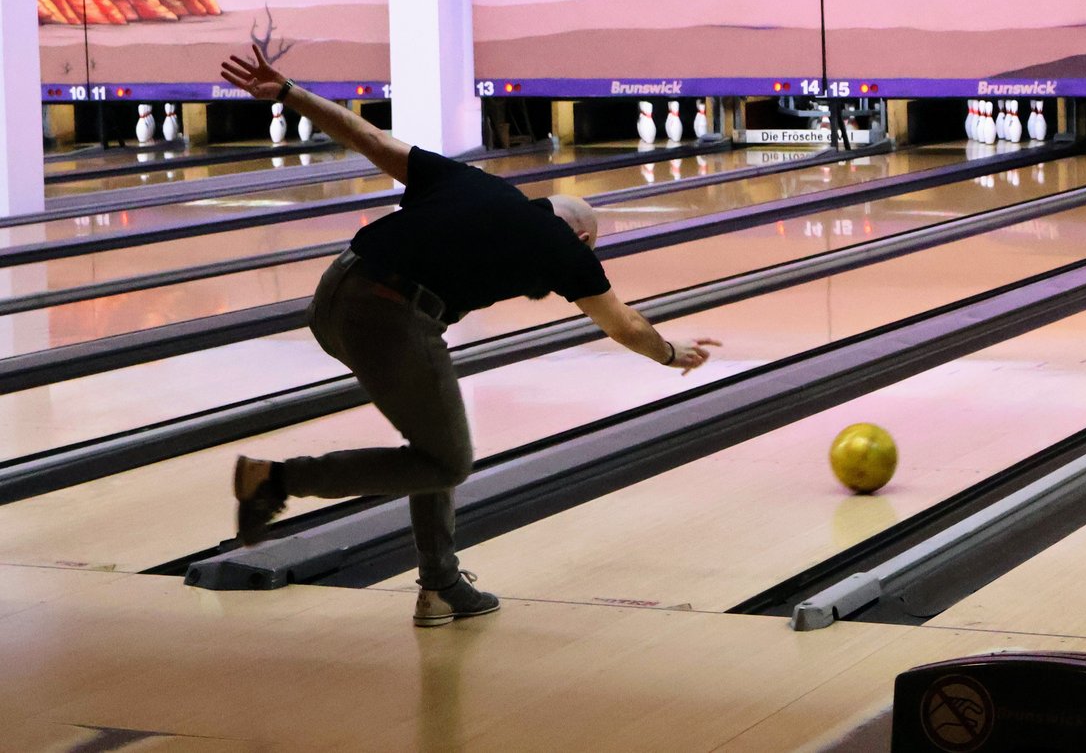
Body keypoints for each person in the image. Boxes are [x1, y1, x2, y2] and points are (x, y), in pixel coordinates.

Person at [219, 47, 721, 627]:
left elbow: (370, 138)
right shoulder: (560, 247)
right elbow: (622, 323)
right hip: (387, 313)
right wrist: (668, 353)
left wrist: (288, 93)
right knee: (449, 462)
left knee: (430, 448)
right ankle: (278, 478)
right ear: (581, 239)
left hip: (335, 291)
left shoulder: (472, 182)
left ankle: (439, 587)